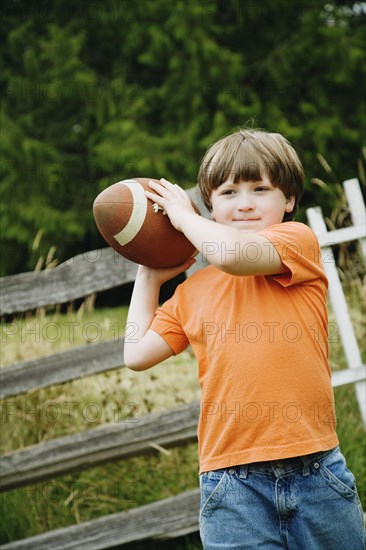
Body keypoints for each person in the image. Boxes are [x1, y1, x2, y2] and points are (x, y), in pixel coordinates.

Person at [124, 128, 365, 549]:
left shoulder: (296, 245)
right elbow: (136, 353)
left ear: (288, 200)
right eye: (229, 192)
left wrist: (183, 217)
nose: (245, 202)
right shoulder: (191, 293)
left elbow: (234, 255)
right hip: (231, 486)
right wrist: (148, 274)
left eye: (260, 188)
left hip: (316, 473)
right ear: (210, 202)